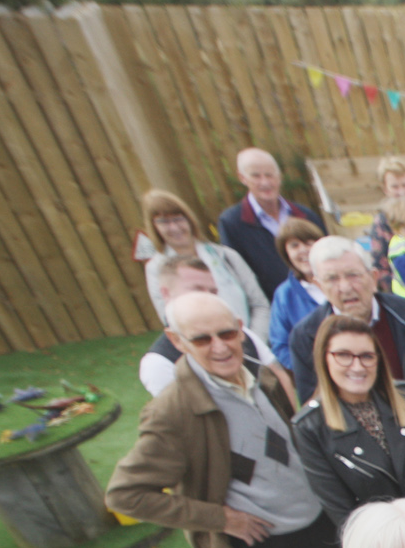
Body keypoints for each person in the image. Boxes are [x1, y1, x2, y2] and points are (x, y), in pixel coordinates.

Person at [106, 292, 359, 548]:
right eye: (202, 339)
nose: (220, 346)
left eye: (227, 332)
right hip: (259, 543)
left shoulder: (262, 375)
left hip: (316, 524)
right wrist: (220, 519)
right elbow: (125, 494)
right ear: (177, 340)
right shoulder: (173, 411)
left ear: (241, 327)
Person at [292, 314, 405, 528]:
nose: (357, 367)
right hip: (382, 542)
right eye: (344, 355)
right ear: (324, 358)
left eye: (367, 356)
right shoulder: (310, 427)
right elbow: (343, 514)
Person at [289, 236, 405, 412]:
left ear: (373, 277)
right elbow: (316, 409)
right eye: (332, 279)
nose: (345, 287)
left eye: (353, 275)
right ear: (320, 286)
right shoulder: (307, 337)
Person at [139, 255, 285, 401]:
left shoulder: (241, 332)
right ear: (166, 293)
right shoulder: (158, 362)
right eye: (197, 290)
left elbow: (278, 377)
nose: (208, 297)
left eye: (213, 292)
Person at [141, 190, 269, 341]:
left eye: (178, 219)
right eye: (164, 222)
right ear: (154, 227)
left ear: (189, 219)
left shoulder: (226, 256)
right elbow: (169, 319)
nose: (174, 228)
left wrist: (252, 341)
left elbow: (260, 304)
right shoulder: (156, 268)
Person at [218, 147, 325, 300]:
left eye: (270, 175)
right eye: (256, 176)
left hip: (317, 297)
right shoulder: (232, 223)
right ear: (242, 178)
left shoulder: (304, 215)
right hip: (271, 304)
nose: (265, 182)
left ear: (279, 176)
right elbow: (238, 274)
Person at [266, 217, 327, 372]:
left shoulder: (343, 280)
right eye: (294, 245)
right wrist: (309, 370)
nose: (303, 250)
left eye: (308, 242)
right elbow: (280, 346)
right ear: (286, 253)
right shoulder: (284, 295)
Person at [368, 157, 405, 274]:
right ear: (386, 190)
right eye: (395, 187)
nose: (401, 192)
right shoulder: (381, 222)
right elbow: (380, 264)